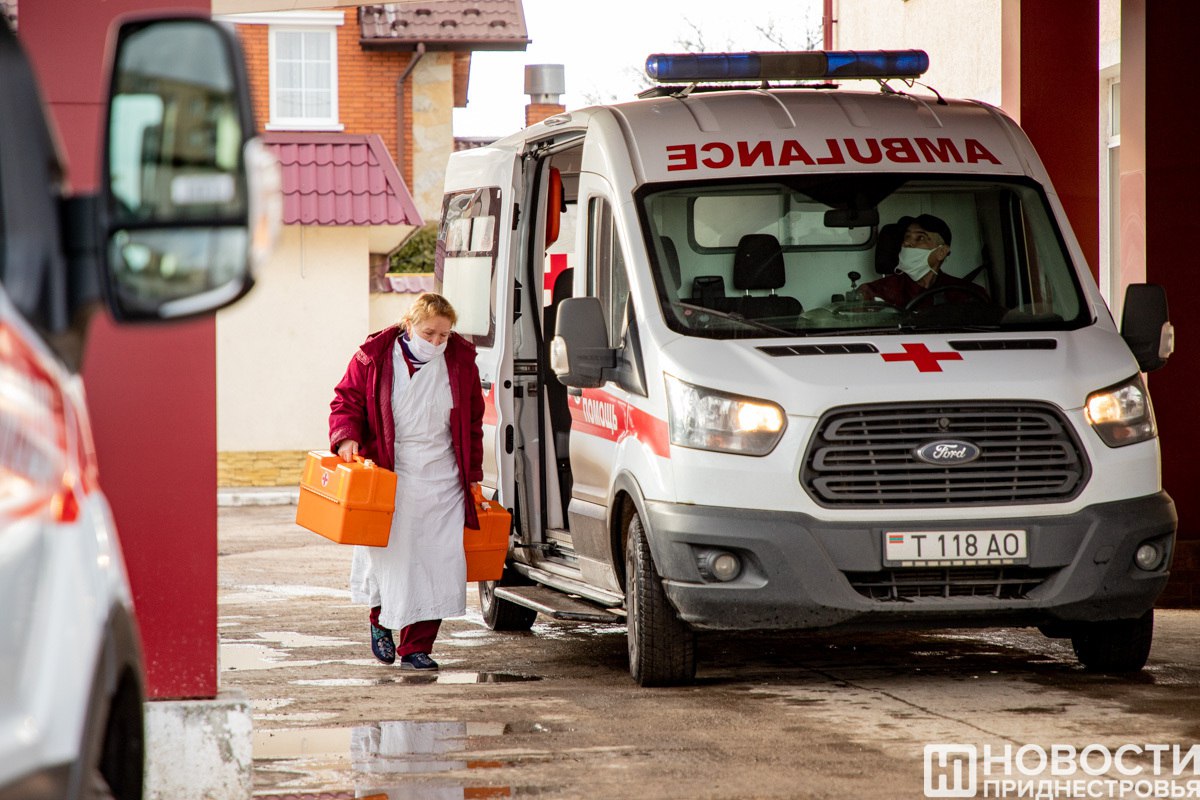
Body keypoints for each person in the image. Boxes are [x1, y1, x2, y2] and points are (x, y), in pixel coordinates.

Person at [328, 293, 484, 671]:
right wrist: (346, 436)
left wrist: (474, 477)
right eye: (428, 333)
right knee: (394, 558)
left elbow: (473, 423)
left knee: (439, 561)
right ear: (408, 324)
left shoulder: (461, 362)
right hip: (392, 470)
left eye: (443, 336)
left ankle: (417, 647)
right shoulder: (374, 357)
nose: (435, 342)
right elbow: (345, 400)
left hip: (443, 474)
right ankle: (380, 621)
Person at [859, 214, 985, 308]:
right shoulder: (875, 291)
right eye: (907, 237)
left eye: (920, 238)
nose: (907, 243)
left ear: (941, 252)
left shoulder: (967, 293)